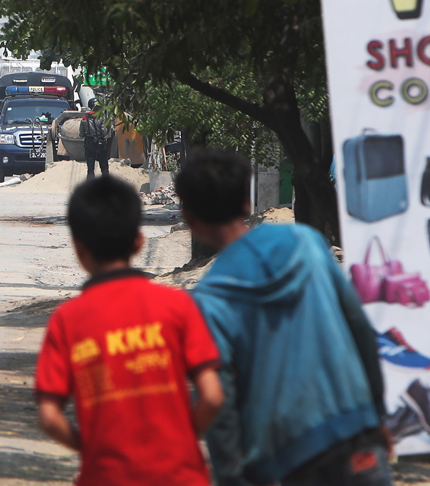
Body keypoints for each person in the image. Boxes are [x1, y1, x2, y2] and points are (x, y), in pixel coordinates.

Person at [175, 148, 392, 486]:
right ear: (246, 204)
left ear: (189, 217)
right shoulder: (307, 244)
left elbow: (222, 399)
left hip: (287, 457)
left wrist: (232, 477)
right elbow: (359, 327)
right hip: (355, 433)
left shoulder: (210, 300)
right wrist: (377, 412)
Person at [35, 175, 224, 486]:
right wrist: (179, 440)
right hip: (181, 474)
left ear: (79, 249)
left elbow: (50, 418)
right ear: (139, 241)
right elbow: (214, 397)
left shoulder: (67, 321)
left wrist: (93, 449)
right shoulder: (176, 307)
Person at [78, 100, 113, 179]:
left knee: (90, 167)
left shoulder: (84, 118)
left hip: (89, 144)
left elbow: (81, 134)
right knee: (104, 166)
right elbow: (104, 132)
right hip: (100, 143)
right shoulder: (101, 117)